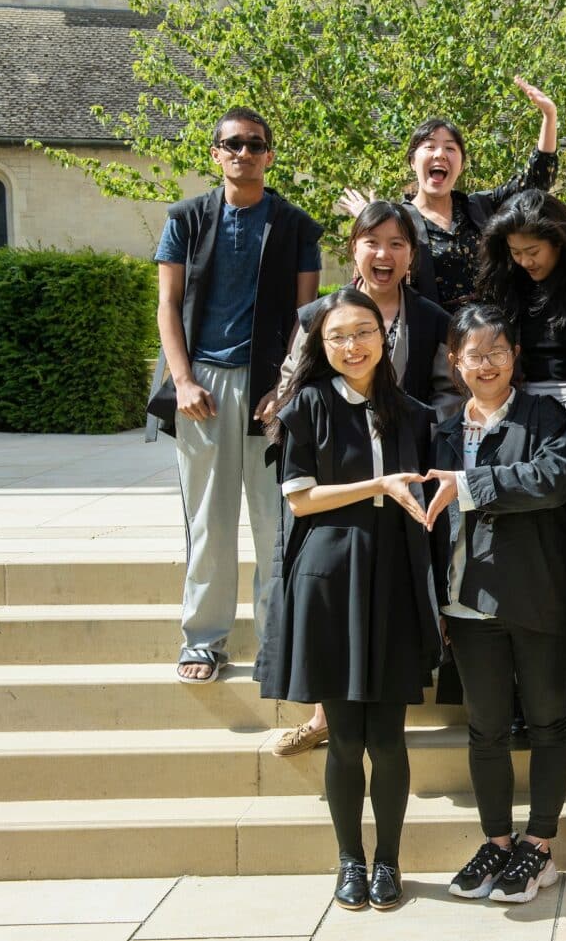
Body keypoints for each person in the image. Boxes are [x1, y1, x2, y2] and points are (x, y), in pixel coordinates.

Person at [258, 287, 442, 912]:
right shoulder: (305, 405)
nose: (351, 345)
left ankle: (387, 861)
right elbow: (300, 499)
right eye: (337, 336)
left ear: (383, 338)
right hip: (330, 579)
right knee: (342, 739)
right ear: (322, 345)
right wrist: (380, 485)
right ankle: (348, 863)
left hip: (393, 576)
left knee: (388, 738)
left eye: (363, 332)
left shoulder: (414, 412)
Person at [271, 200, 461, 757]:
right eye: (372, 241)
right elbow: (293, 377)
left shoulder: (429, 317)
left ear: (412, 256)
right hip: (334, 461)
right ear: (353, 248)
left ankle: (375, 703)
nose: (385, 253)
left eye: (398, 243)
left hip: (404, 457)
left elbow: (447, 390)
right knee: (331, 586)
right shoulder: (319, 315)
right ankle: (323, 710)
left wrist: (412, 427)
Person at [147, 106, 322, 685]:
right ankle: (203, 640)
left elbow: (305, 318)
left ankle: (276, 643)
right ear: (216, 153)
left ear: (269, 155)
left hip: (271, 388)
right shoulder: (186, 219)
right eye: (232, 144)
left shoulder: (296, 225)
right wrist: (183, 381)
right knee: (209, 519)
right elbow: (168, 306)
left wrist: (285, 387)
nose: (243, 152)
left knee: (276, 521)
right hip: (203, 383)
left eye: (254, 144)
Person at [424, 304, 566, 905]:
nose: (485, 363)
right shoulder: (439, 426)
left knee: (546, 722)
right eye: (473, 353)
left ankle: (538, 846)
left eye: (497, 350)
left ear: (515, 355)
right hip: (464, 603)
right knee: (486, 730)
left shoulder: (548, 417)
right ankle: (497, 841)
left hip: (534, 596)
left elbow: (550, 481)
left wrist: (465, 486)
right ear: (454, 361)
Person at [475, 188, 566, 744]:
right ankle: (523, 692)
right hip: (523, 417)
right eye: (514, 251)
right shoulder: (505, 285)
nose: (525, 261)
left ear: (559, 239)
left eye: (533, 250)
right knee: (528, 553)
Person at [337, 77, 559, 312]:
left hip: (493, 334)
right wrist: (372, 220)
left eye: (450, 148)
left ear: (461, 165)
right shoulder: (401, 220)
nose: (440, 154)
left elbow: (535, 181)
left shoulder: (480, 207)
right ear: (412, 161)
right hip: (435, 338)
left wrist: (549, 116)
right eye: (430, 146)